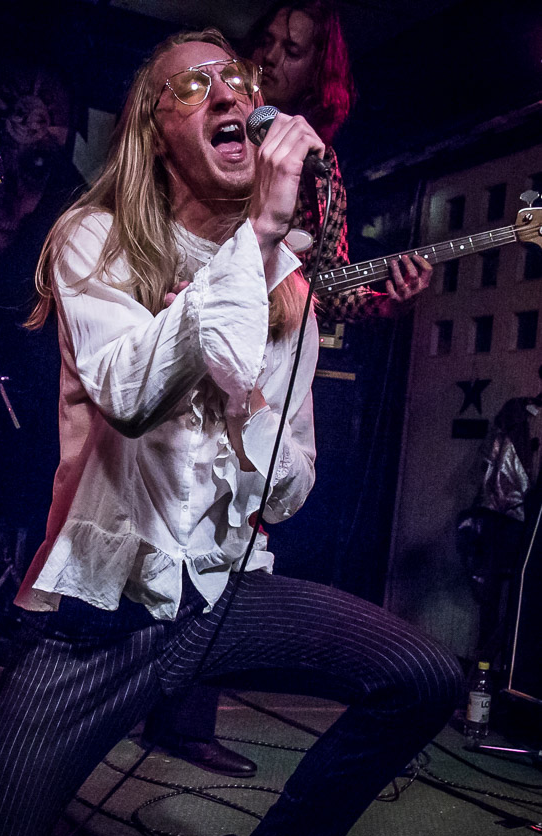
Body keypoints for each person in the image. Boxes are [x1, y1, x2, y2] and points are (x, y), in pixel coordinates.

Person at [0, 29, 461, 836]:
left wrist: (248, 398)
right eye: (190, 86)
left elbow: (289, 489)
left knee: (422, 678)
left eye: (236, 80)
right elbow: (129, 395)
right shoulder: (94, 239)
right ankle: (17, 714)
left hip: (222, 597)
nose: (226, 94)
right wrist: (254, 240)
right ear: (155, 133)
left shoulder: (292, 292)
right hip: (103, 613)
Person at [143, 0, 429, 777]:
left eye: (293, 49)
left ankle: (184, 718)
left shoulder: (318, 165)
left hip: (262, 344)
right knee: (137, 493)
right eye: (265, 41)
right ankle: (61, 693)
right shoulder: (212, 121)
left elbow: (327, 283)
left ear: (317, 74)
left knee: (234, 517)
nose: (270, 56)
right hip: (177, 313)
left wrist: (382, 301)